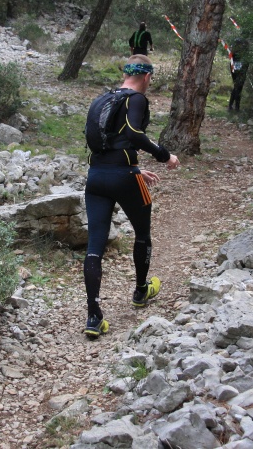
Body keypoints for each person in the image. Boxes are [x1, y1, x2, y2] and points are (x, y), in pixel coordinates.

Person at [82, 54, 179, 338]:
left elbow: (109, 141)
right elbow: (135, 134)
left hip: (97, 177)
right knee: (142, 234)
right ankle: (140, 291)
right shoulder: (136, 99)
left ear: (126, 73)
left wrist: (135, 166)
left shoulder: (102, 99)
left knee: (94, 246)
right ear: (147, 77)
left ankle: (93, 317)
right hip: (124, 178)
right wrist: (165, 156)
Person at [228, 39, 250, 112]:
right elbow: (247, 62)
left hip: (234, 68)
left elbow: (231, 58)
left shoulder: (234, 49)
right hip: (239, 69)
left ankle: (232, 106)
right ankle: (235, 107)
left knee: (237, 86)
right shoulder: (245, 48)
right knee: (238, 87)